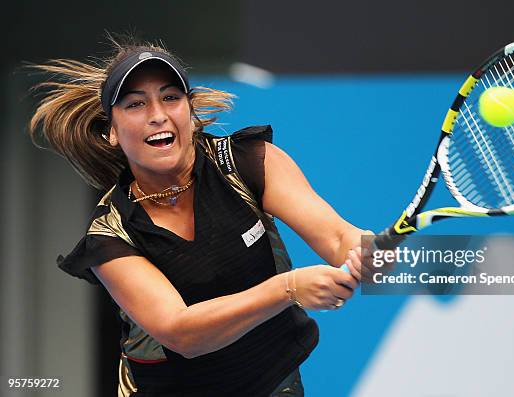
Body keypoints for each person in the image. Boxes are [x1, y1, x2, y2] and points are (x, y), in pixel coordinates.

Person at [28, 36, 369, 396]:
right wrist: (288, 288)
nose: (157, 114)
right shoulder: (110, 235)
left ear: (190, 113)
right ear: (111, 131)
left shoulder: (245, 163)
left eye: (171, 97)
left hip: (273, 384)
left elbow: (338, 239)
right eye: (135, 104)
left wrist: (376, 256)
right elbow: (181, 333)